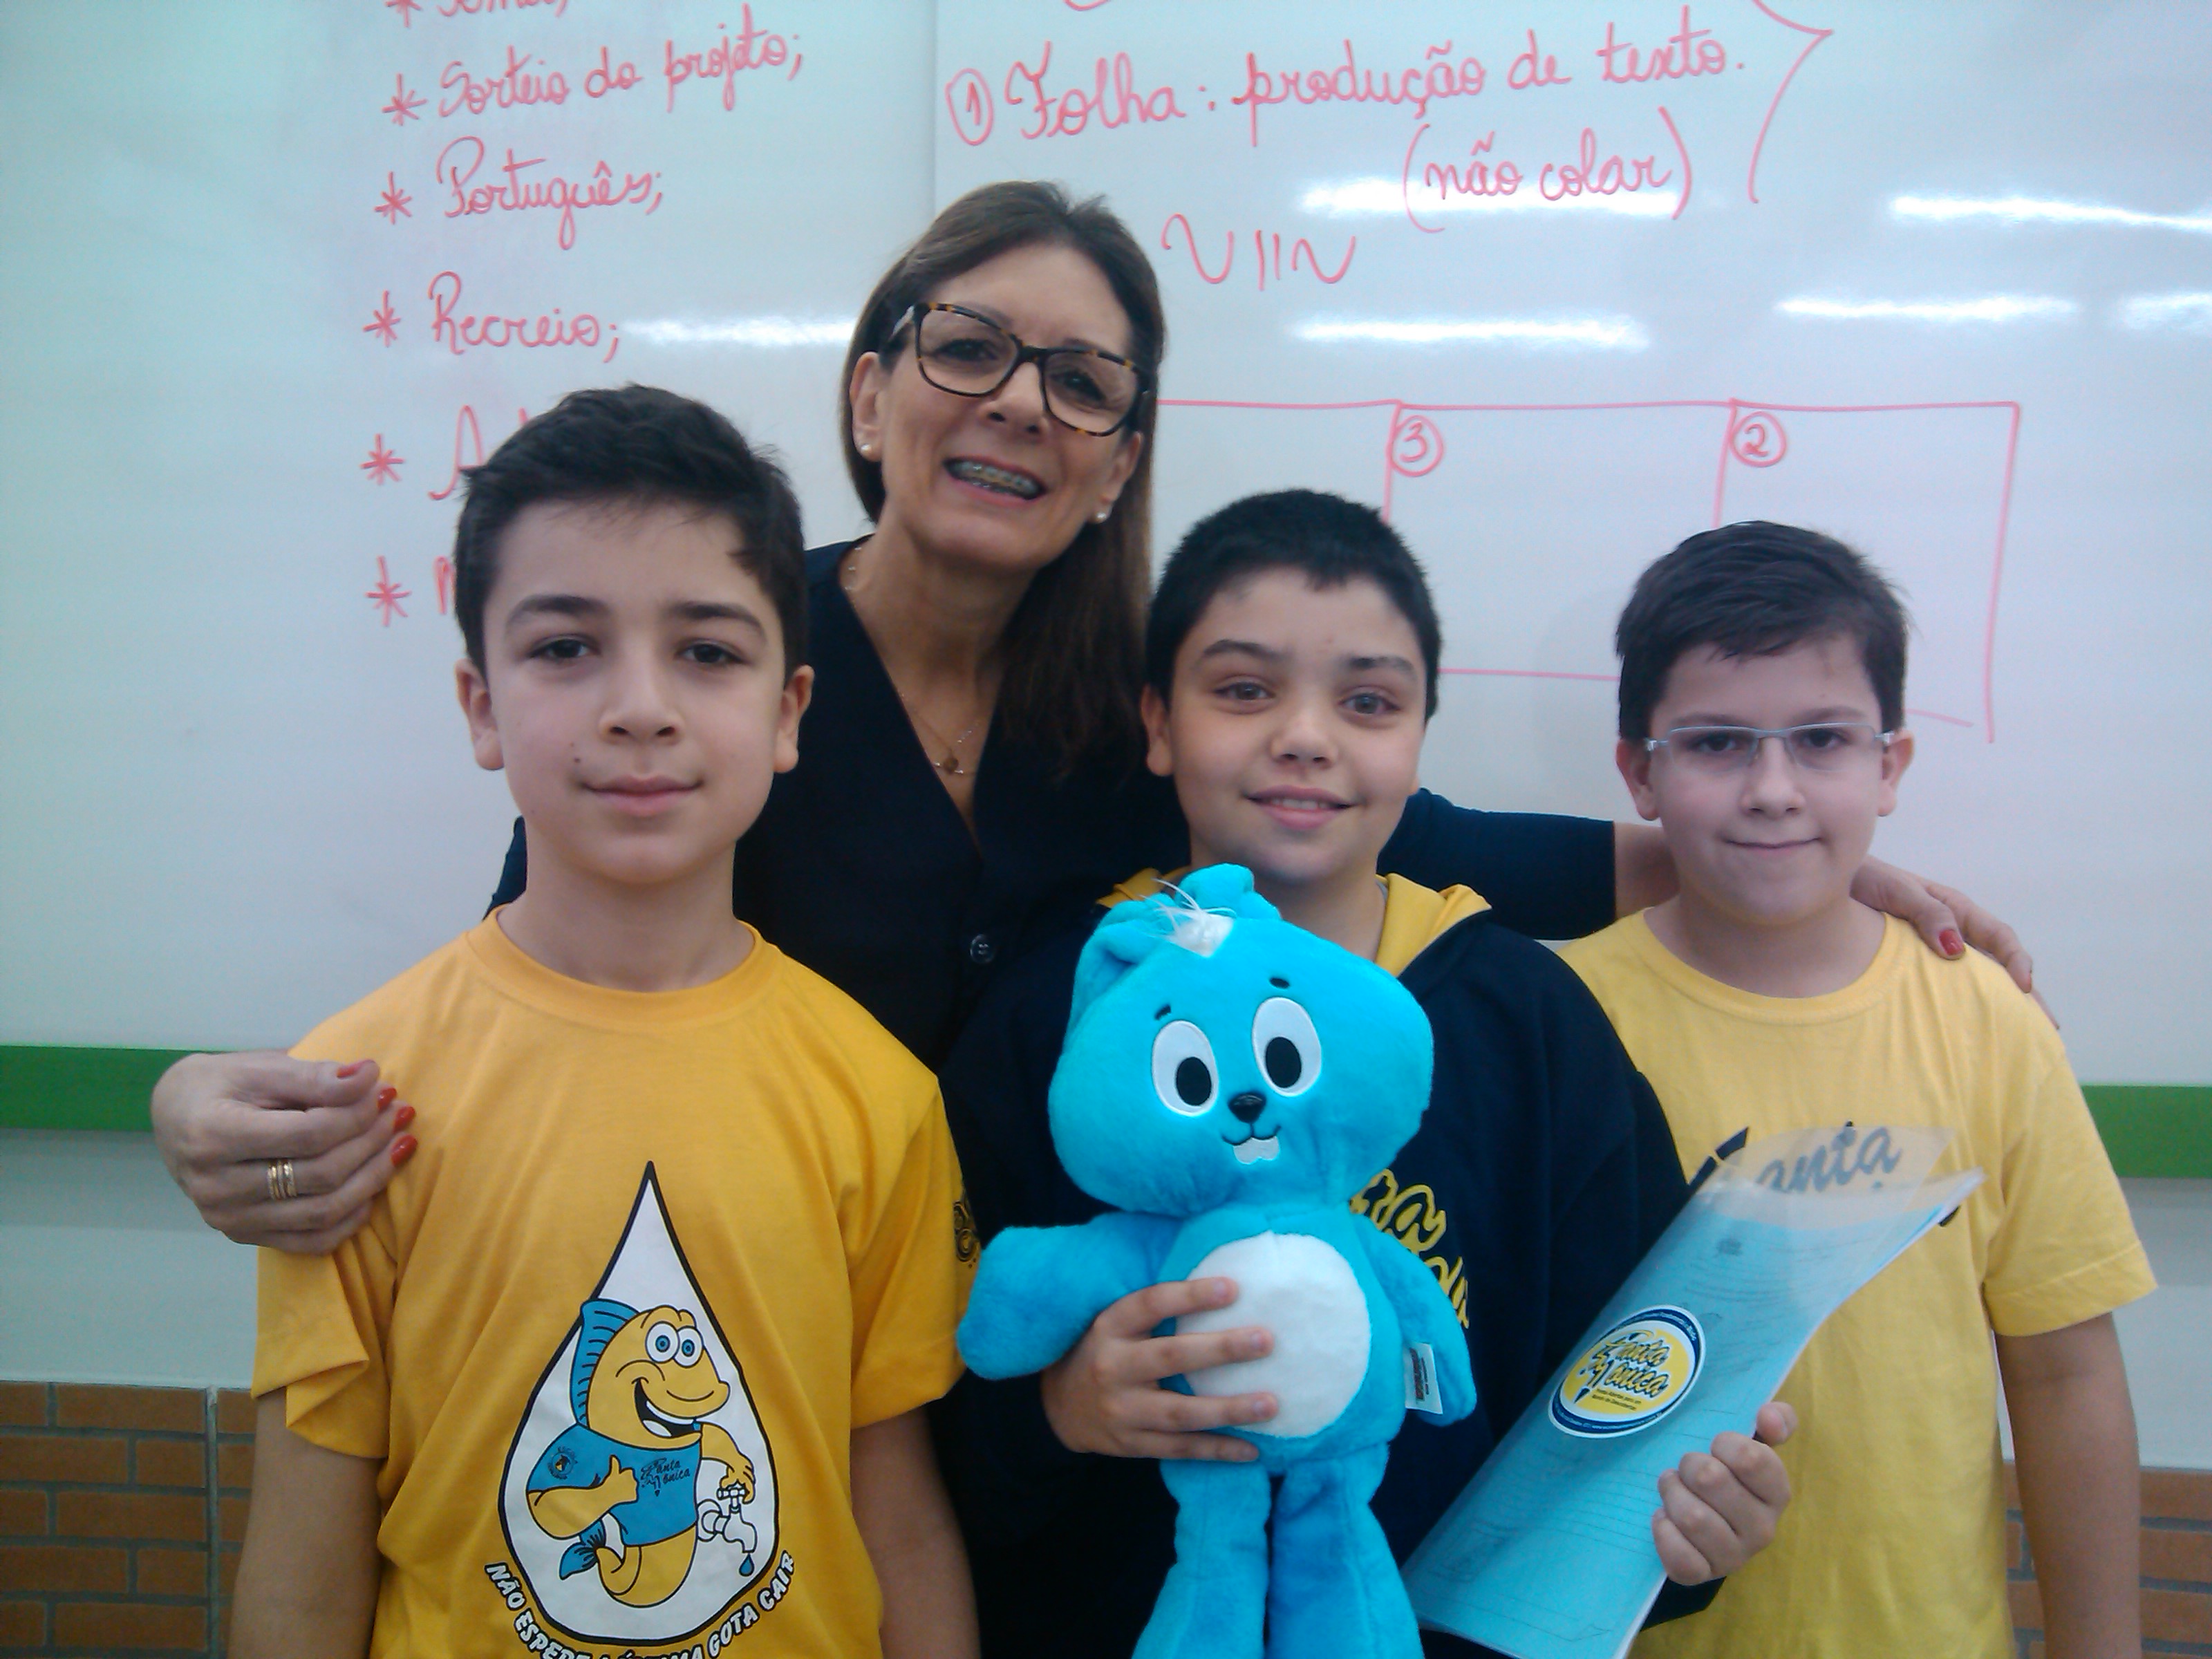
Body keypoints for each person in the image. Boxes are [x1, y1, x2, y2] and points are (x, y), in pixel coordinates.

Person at [149, 180, 2030, 1255]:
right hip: (762, 1287)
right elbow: (533, 958)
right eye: (968, 349)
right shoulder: (719, 664)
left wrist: (1780, 852)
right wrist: (201, 1100)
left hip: (1068, 1344)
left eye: (1084, 382)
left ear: (1123, 457)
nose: (1019, 405)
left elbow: (1432, 838)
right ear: (871, 393)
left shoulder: (1141, 708)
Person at [934, 491, 1796, 1659]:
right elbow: (931, 1418)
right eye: (1244, 690)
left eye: (1369, 702)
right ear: (1158, 723)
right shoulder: (1058, 1017)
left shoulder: (1527, 1019)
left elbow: (1624, 1399)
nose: (1306, 736)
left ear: (1421, 734)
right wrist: (1055, 1411)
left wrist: (1692, 1525)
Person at [231, 388, 976, 1659]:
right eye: (568, 647)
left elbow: (894, 1513)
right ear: (481, 705)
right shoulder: (355, 1097)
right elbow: (305, 1555)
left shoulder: (881, 1094)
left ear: (788, 711)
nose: (640, 706)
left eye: (708, 652)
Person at [1557, 522, 2153, 1659]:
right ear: (1639, 772)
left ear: (1890, 764)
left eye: (1823, 739)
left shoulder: (1983, 1020)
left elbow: (2066, 1370)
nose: (1773, 791)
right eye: (1717, 743)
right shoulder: (1555, 1023)